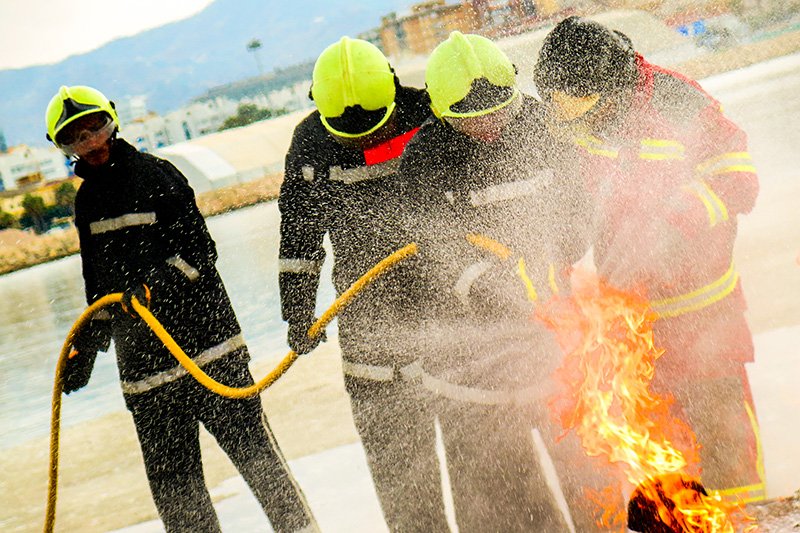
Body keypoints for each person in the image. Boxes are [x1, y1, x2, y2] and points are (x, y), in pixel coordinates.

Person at [46, 85, 317, 533]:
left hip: (211, 358)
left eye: (94, 129)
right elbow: (98, 290)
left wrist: (153, 287)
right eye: (76, 138)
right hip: (147, 381)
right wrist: (86, 351)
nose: (90, 144)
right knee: (179, 501)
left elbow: (200, 252)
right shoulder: (86, 202)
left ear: (112, 124)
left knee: (264, 470)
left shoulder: (158, 176)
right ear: (65, 147)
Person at [534, 16, 764, 508]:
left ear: (608, 86)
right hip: (635, 320)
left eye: (581, 105)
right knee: (670, 451)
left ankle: (748, 520)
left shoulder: (680, 102)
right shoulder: (577, 125)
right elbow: (575, 208)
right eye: (563, 108)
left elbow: (739, 179)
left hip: (705, 312)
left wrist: (672, 220)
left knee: (726, 442)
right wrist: (555, 254)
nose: (575, 119)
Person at [397, 31, 589, 532]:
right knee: (507, 494)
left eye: (497, 110)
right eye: (472, 119)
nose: (489, 124)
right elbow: (436, 252)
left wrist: (556, 265)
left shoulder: (544, 127)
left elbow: (579, 207)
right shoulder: (424, 160)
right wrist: (491, 288)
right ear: (441, 112)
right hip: (478, 360)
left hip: (556, 336)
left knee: (588, 467)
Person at [278, 37, 448, 531]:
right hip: (368, 327)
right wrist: (297, 311)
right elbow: (299, 236)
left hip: (451, 306)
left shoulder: (428, 113)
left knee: (480, 462)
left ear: (394, 89)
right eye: (348, 136)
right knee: (402, 480)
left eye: (374, 128)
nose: (362, 142)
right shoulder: (310, 144)